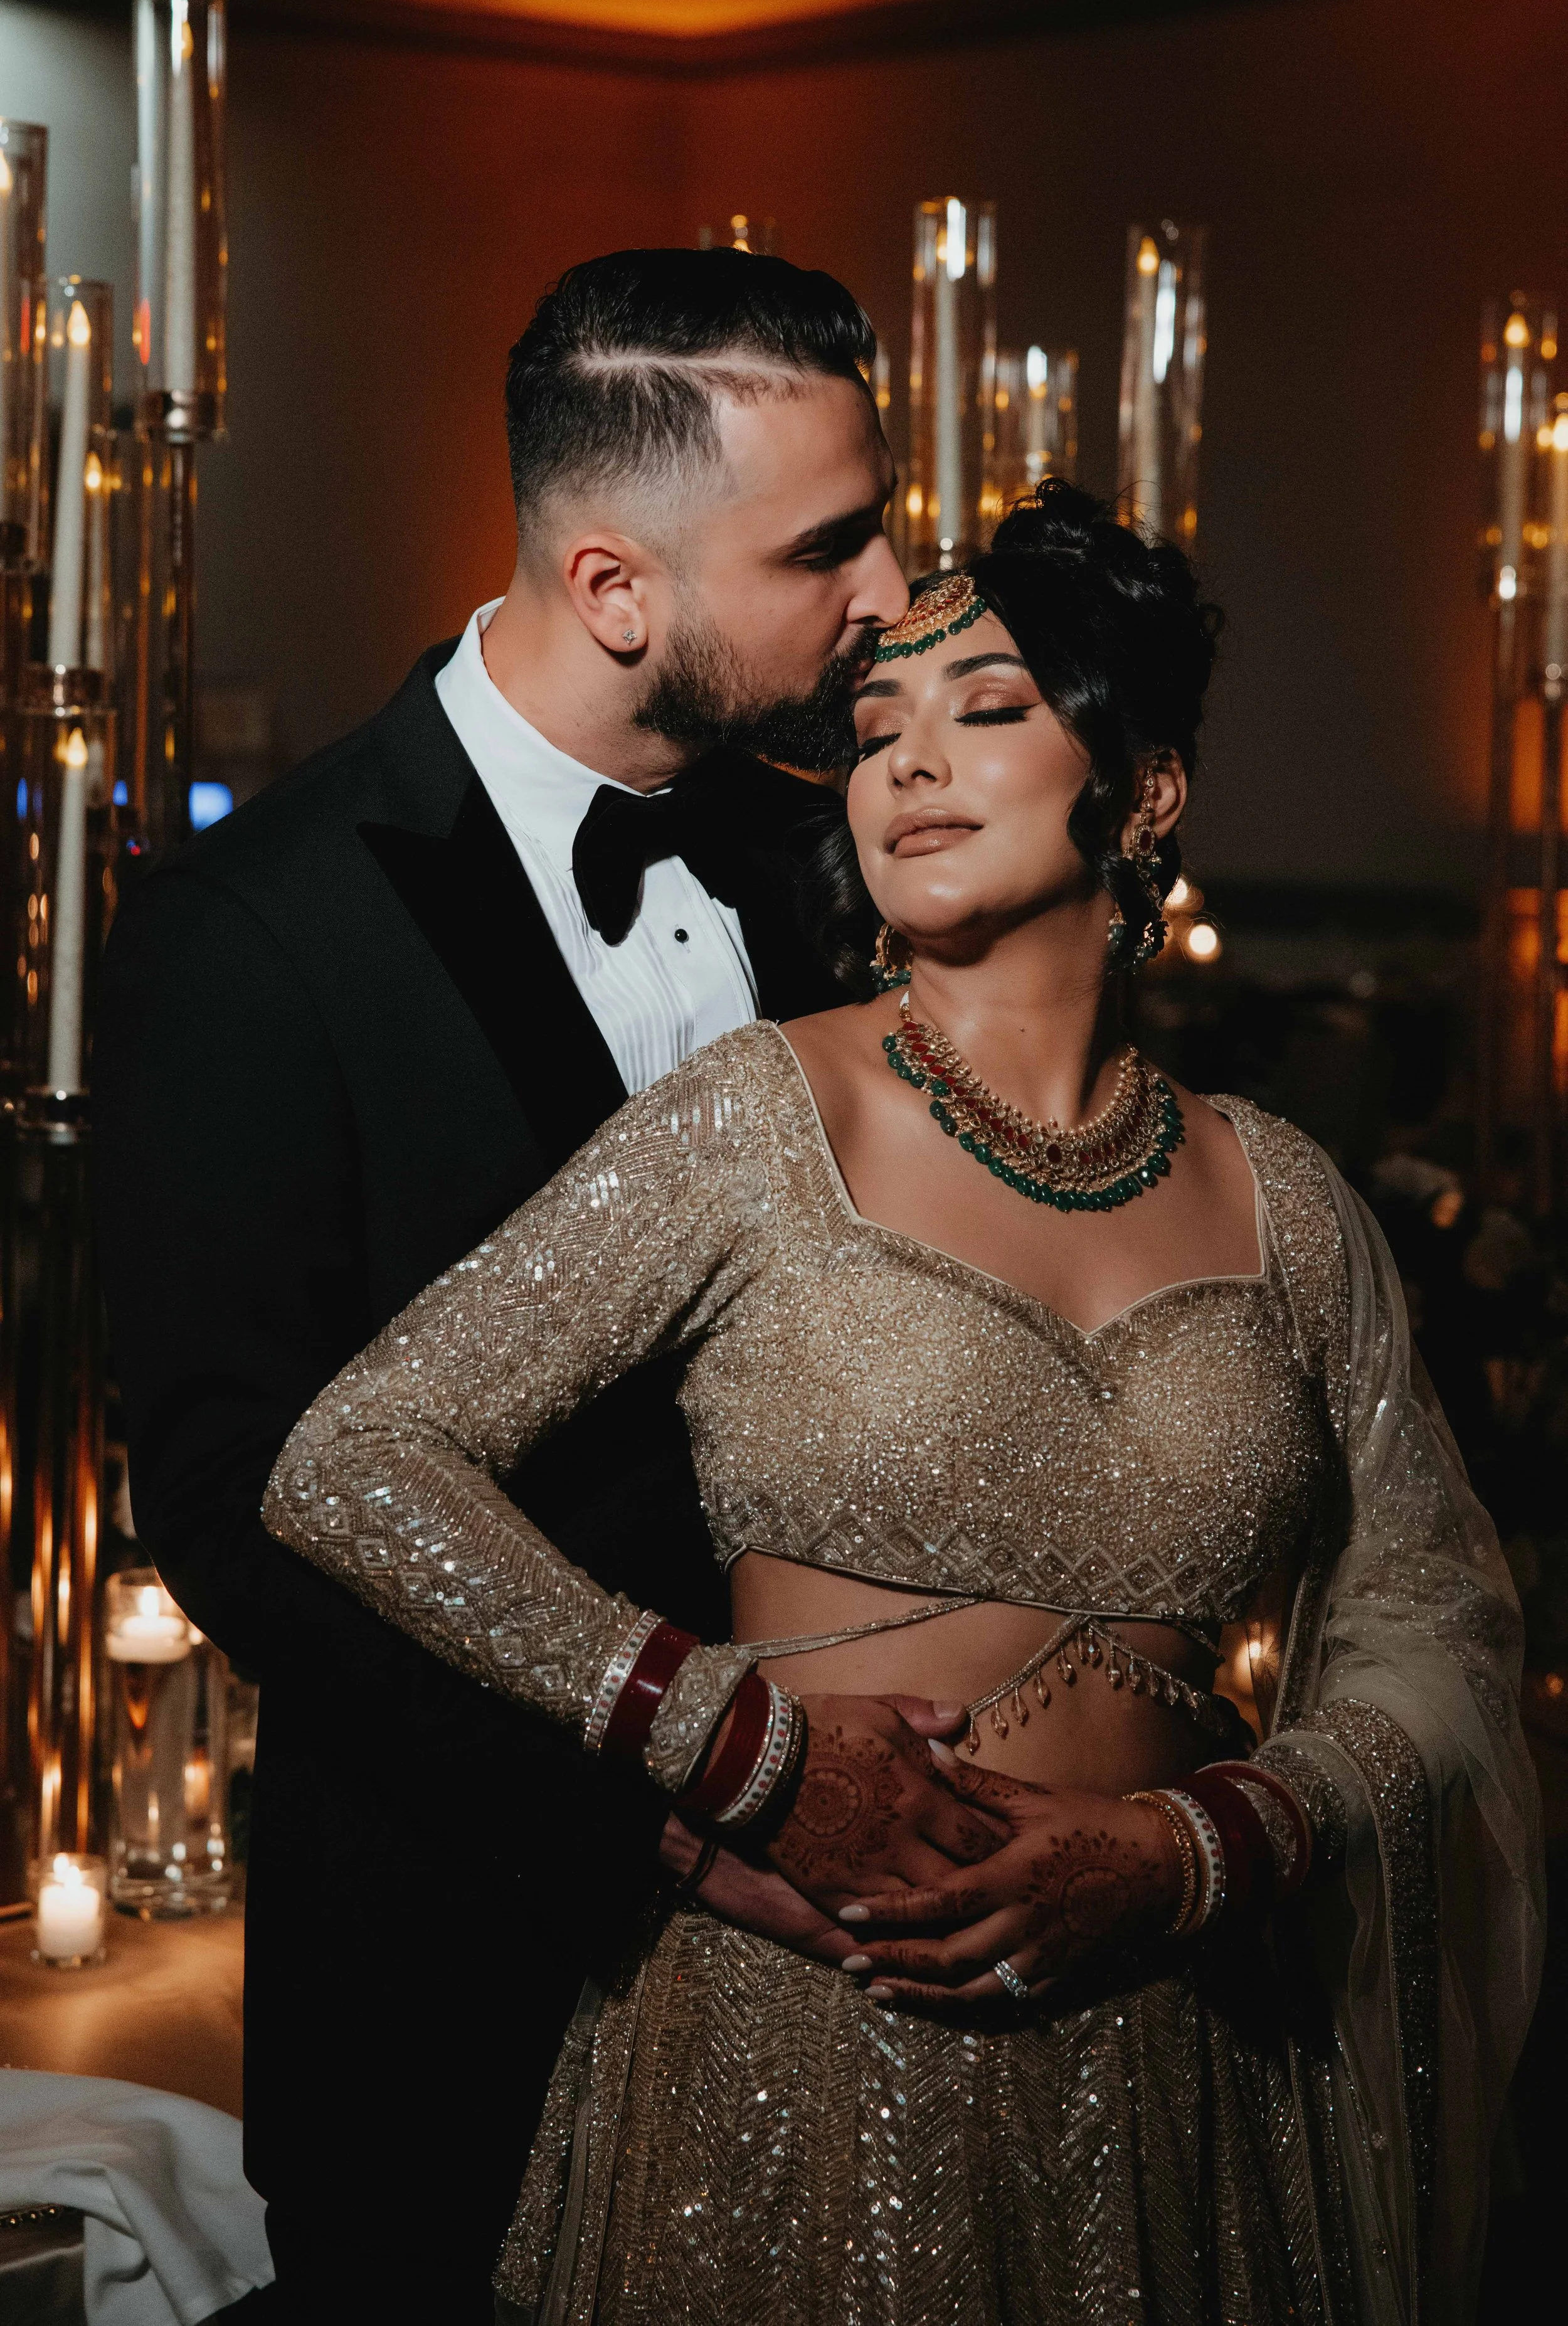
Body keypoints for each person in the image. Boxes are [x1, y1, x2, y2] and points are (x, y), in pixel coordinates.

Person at [260, 481, 1544, 2325]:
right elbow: (356, 1459)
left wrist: (1197, 1843)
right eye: (873, 732)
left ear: (1148, 787)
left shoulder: (1284, 1198)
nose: (908, 766)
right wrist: (718, 1734)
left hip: (1183, 2063)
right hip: (804, 2056)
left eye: (988, 712)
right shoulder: (753, 1124)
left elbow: (1432, 1617)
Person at [93, 247, 1003, 2322]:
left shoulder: (835, 848)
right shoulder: (250, 938)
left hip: (865, 1974)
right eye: (827, 545)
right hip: (461, 1959)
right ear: (615, 587)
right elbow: (240, 1502)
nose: (887, 591)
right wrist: (678, 1821)